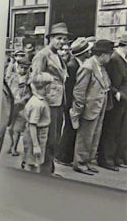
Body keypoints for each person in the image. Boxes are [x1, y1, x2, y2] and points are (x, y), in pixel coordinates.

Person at [31, 22, 70, 171]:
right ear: (50, 38)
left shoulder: (57, 55)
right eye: (58, 38)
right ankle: (43, 170)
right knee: (48, 138)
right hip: (48, 101)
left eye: (64, 39)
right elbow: (34, 78)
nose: (62, 42)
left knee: (55, 137)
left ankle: (49, 168)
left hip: (58, 101)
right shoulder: (43, 55)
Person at [71, 39, 113, 174]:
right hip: (89, 108)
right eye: (109, 54)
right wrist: (77, 110)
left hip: (99, 107)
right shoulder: (88, 67)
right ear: (103, 54)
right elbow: (79, 91)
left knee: (94, 136)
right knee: (85, 137)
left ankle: (88, 161)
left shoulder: (100, 66)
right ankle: (80, 163)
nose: (110, 57)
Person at [57, 37, 93, 166]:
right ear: (83, 53)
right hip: (70, 102)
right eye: (88, 50)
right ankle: (63, 156)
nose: (90, 52)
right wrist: (73, 105)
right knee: (69, 129)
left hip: (71, 102)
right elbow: (70, 88)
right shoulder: (73, 66)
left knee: (71, 128)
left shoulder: (77, 64)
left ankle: (65, 155)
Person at [99, 34, 127, 170]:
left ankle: (116, 158)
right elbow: (108, 80)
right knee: (111, 129)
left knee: (118, 130)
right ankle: (106, 159)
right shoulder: (115, 59)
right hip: (115, 100)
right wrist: (116, 93)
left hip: (121, 100)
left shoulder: (121, 59)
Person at [23, 73, 54, 173]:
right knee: (33, 162)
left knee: (35, 161)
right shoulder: (37, 104)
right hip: (36, 136)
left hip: (39, 134)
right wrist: (36, 145)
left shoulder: (39, 100)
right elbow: (32, 125)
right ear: (47, 87)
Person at [6, 57, 31, 156]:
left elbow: (30, 94)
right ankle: (11, 144)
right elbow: (8, 90)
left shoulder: (29, 80)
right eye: (21, 67)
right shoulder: (13, 78)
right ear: (17, 67)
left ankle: (14, 148)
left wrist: (23, 100)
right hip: (12, 106)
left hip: (22, 107)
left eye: (26, 68)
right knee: (10, 129)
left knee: (17, 129)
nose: (23, 70)